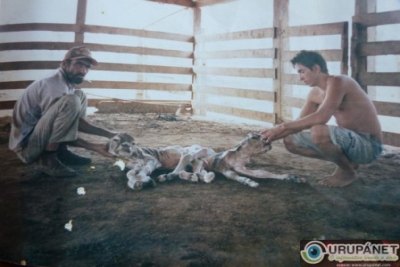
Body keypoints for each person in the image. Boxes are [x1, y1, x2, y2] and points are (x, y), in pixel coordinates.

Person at [261, 50, 382, 187]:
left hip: (369, 146)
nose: (300, 78)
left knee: (319, 131)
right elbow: (298, 125)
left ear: (316, 68)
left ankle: (347, 172)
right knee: (290, 140)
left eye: (302, 71)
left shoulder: (339, 81)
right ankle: (348, 163)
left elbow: (322, 117)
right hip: (350, 143)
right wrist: (265, 137)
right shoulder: (315, 93)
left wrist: (281, 127)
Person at [9, 46, 133, 177]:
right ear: (65, 63)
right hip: (27, 148)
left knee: (79, 95)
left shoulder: (65, 81)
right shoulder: (54, 85)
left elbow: (71, 125)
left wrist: (111, 134)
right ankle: (48, 159)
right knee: (72, 100)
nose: (83, 71)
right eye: (79, 64)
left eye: (87, 67)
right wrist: (93, 146)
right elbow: (55, 130)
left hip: (38, 137)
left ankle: (61, 151)